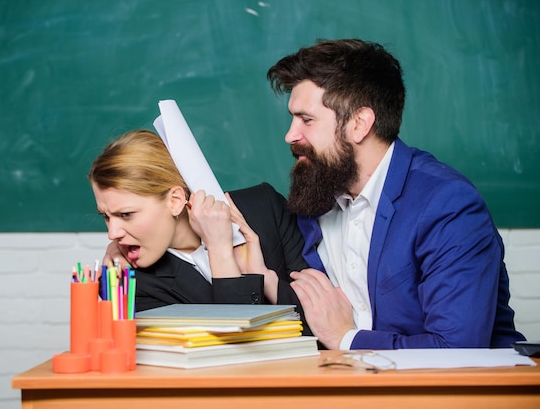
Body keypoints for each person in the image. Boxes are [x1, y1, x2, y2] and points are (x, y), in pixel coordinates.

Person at [266, 38, 526, 350]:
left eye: (306, 120)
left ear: (359, 124)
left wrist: (346, 339)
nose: (290, 135)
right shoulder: (316, 198)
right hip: (346, 387)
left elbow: (459, 349)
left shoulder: (448, 205)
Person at [90, 129, 309, 320]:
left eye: (126, 214)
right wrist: (220, 251)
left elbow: (319, 325)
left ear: (175, 201)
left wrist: (266, 278)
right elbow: (235, 353)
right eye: (106, 216)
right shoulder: (134, 286)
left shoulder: (264, 208)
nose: (112, 233)